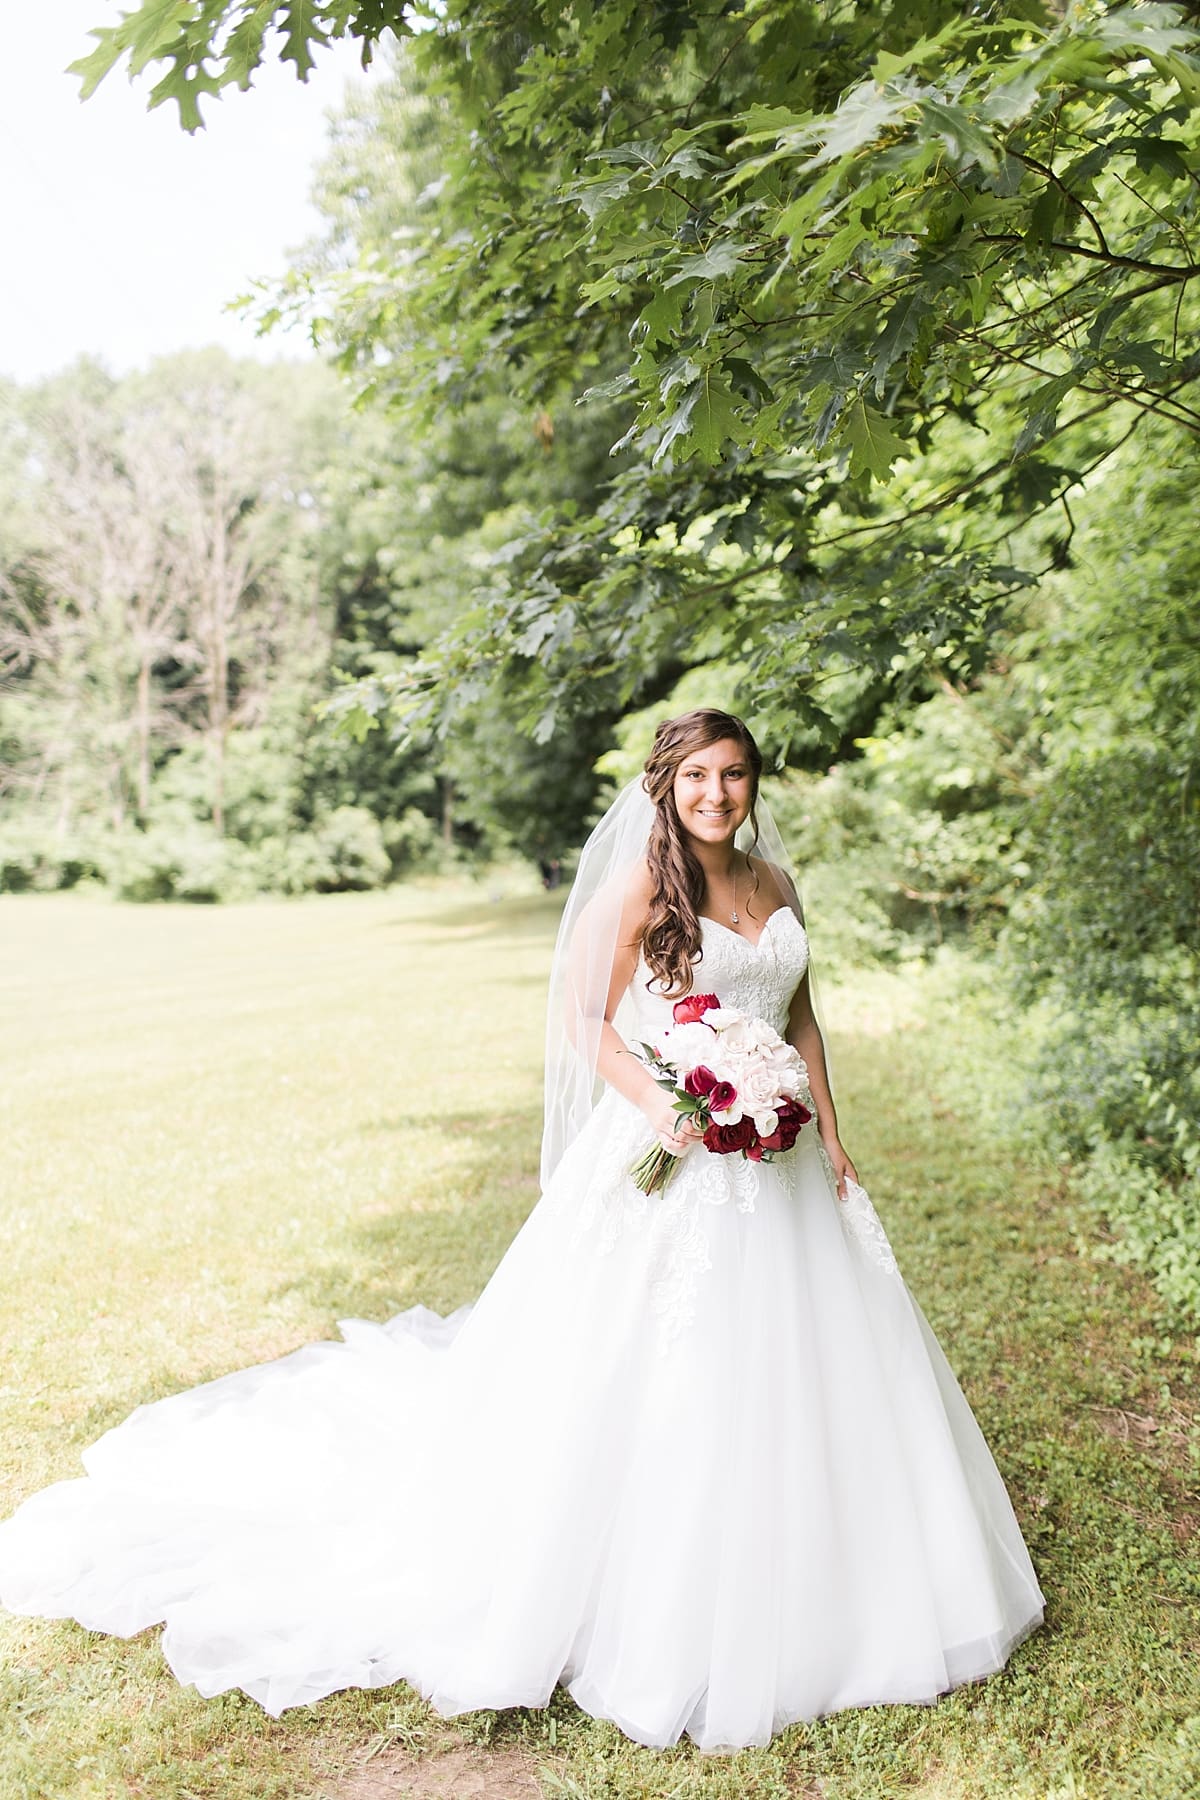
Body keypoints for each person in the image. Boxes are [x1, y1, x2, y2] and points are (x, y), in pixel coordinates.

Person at [0, 708, 1044, 1752]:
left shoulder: (775, 884)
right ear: (666, 785)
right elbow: (583, 1016)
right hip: (676, 1148)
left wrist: (830, 1128)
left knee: (810, 1356)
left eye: (733, 775)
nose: (716, 794)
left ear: (753, 783)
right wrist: (662, 1103)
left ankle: (833, 1567)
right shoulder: (643, 885)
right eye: (696, 777)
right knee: (663, 1364)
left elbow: (797, 1015)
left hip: (783, 1158)